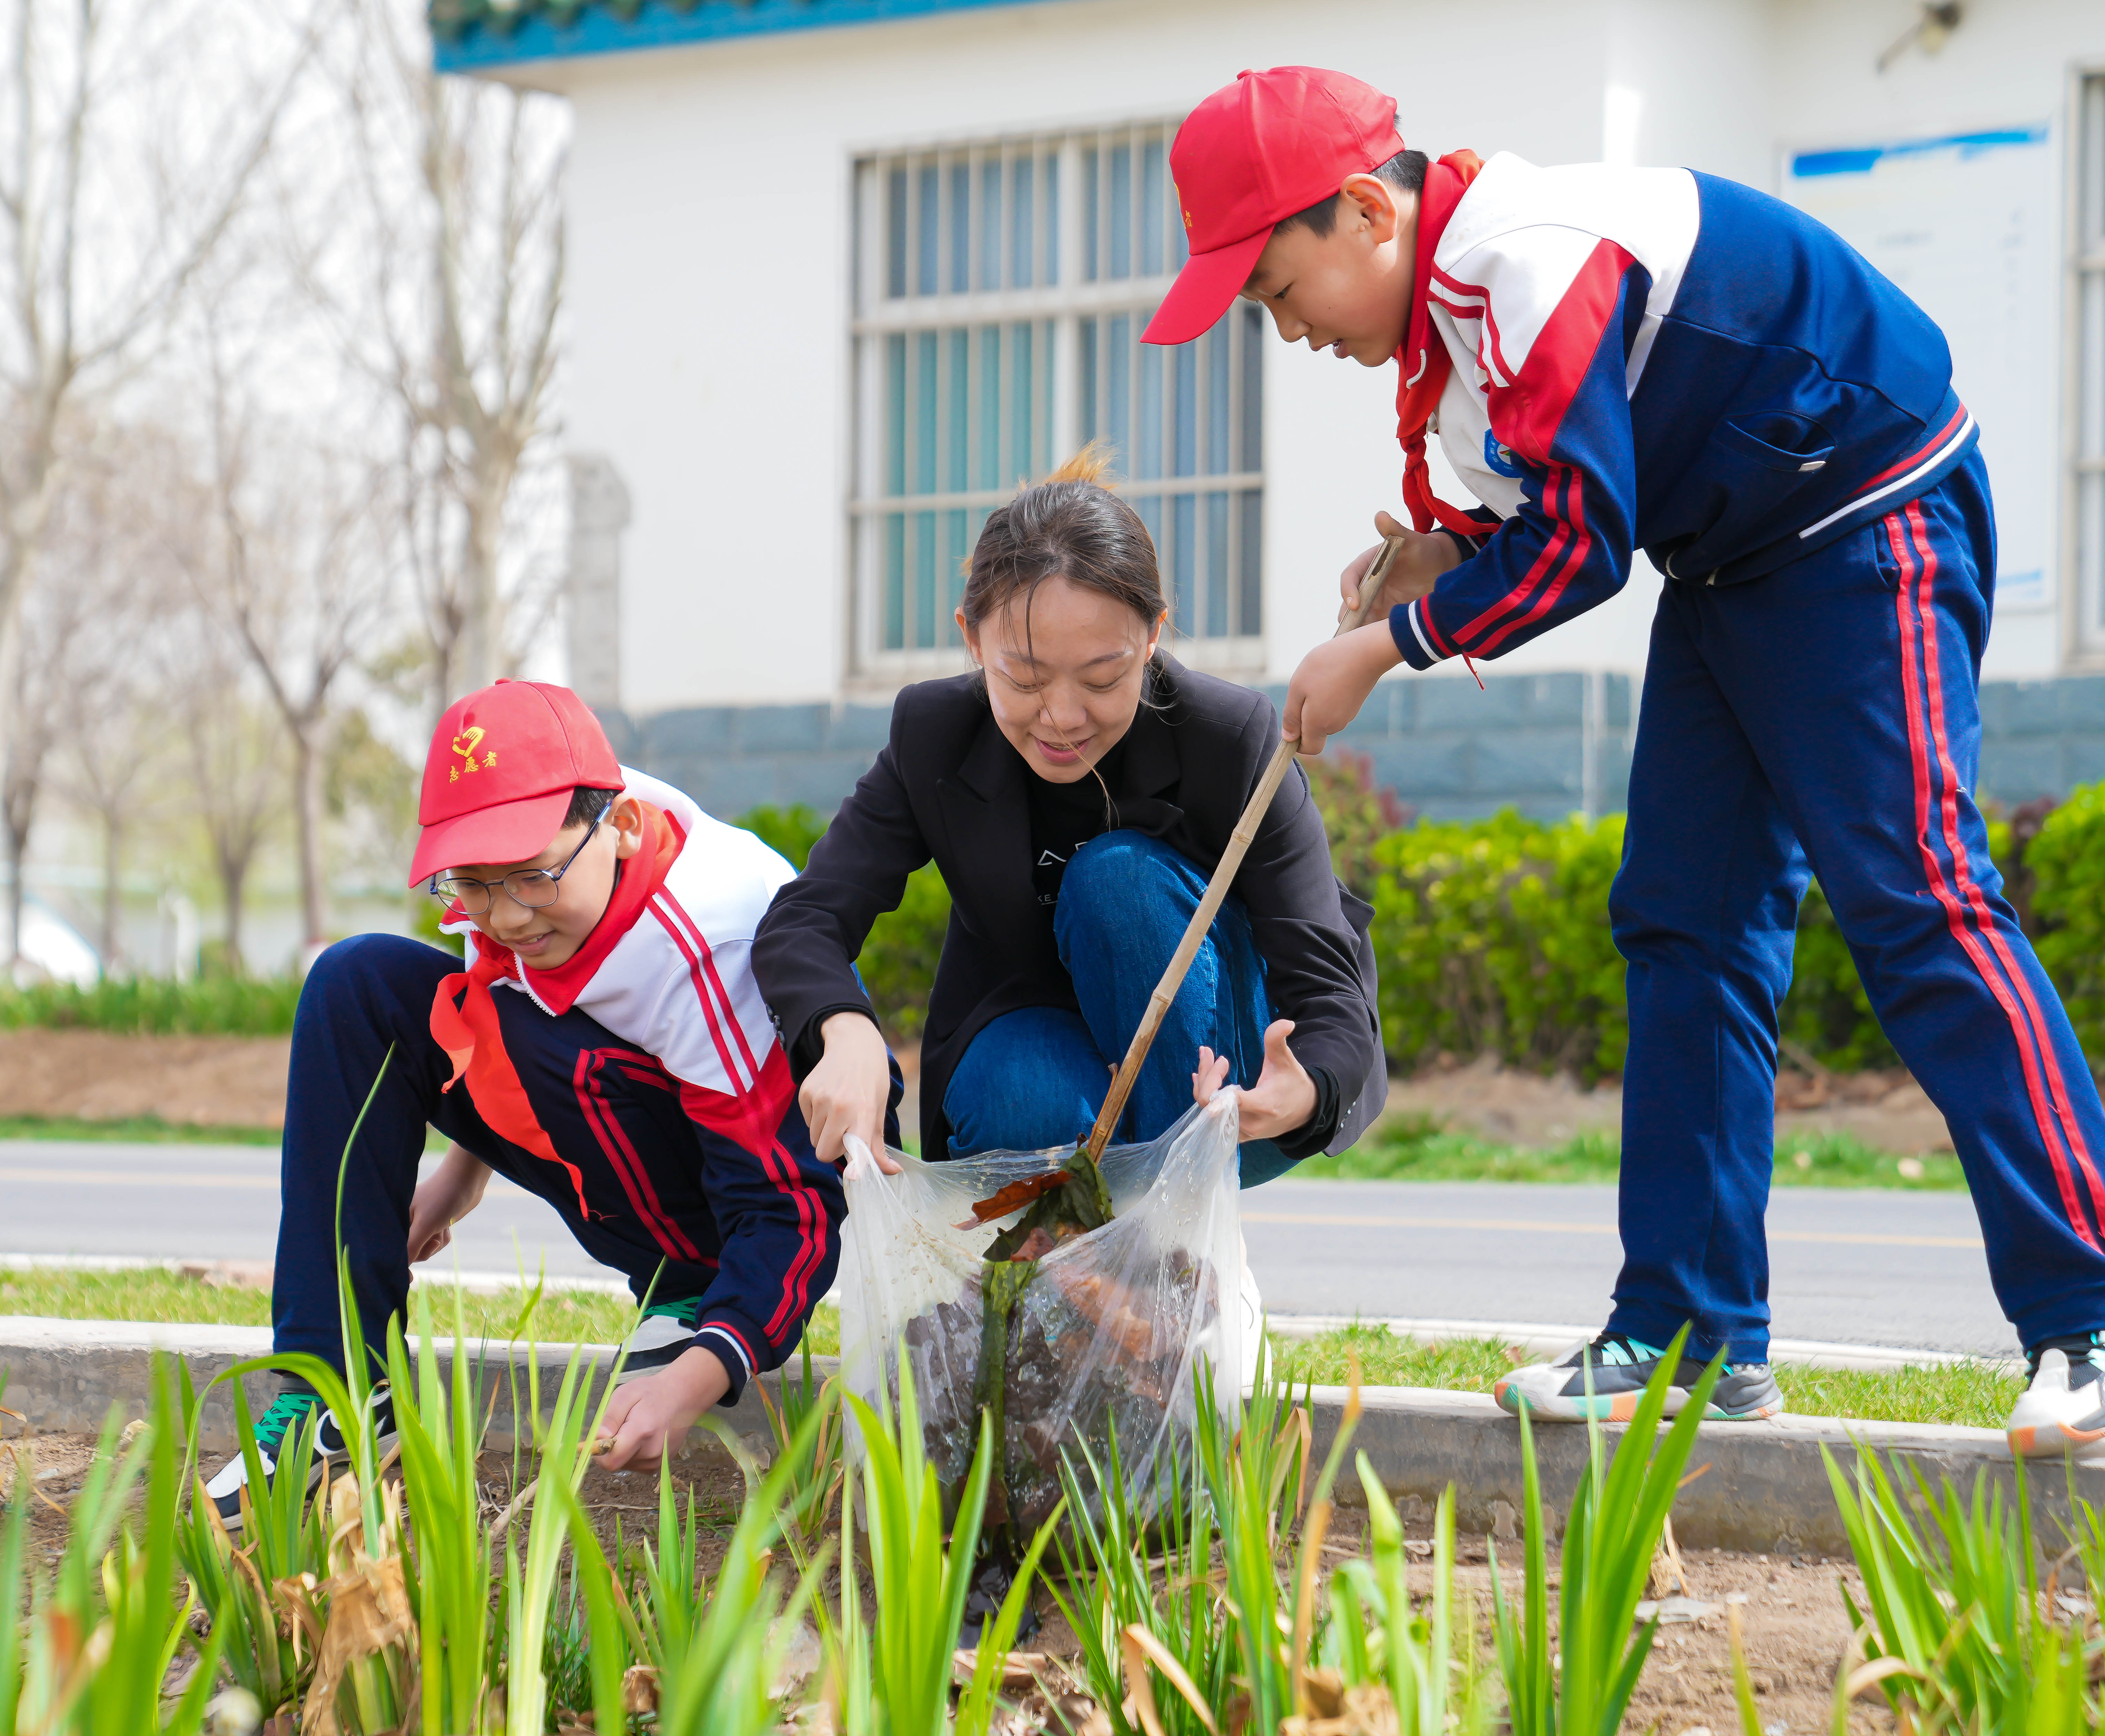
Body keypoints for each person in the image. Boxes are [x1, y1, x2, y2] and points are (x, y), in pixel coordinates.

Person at [1141, 66, 2105, 1456]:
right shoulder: (1451, 326)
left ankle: (2104, 1313)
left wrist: (1388, 643)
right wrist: (1439, 555)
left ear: (1357, 213)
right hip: (1732, 559)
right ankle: (1691, 1335)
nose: (1286, 333)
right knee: (1684, 923)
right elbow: (1558, 502)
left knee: (1915, 898)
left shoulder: (1525, 256)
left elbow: (1581, 545)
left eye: (1277, 293)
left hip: (1867, 511)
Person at [204, 679, 859, 1525]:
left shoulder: (715, 946)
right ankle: (338, 1390)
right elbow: (512, 1007)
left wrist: (701, 1370)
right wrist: (462, 1173)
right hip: (626, 1106)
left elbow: (794, 1209)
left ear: (618, 829)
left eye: (528, 880)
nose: (504, 916)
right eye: (471, 885)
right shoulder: (543, 873)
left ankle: (686, 1286)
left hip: (738, 1191)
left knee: (575, 1055)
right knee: (356, 982)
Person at [757, 449, 1387, 1197]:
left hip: (1216, 1071)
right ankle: (1070, 1286)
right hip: (1033, 1043)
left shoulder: (1232, 738)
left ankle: (1182, 1239)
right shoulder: (935, 735)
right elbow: (806, 918)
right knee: (1025, 1099)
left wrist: (1309, 1087)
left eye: (1102, 678)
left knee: (1118, 879)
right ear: (972, 638)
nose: (1061, 717)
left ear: (1154, 636)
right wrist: (845, 1027)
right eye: (1022, 678)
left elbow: (1330, 986)